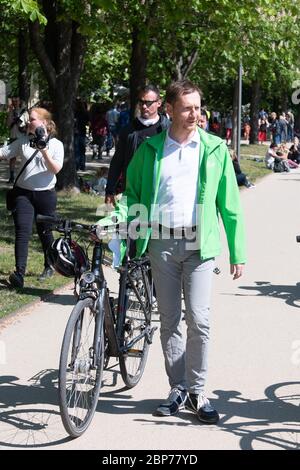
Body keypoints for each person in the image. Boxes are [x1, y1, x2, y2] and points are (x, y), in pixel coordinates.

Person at [97, 80, 246, 424]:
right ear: (169, 110)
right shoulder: (150, 149)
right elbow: (133, 195)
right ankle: (177, 388)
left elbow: (230, 205)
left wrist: (237, 251)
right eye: (187, 108)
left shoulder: (213, 148)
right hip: (161, 243)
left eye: (198, 107)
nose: (195, 114)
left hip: (198, 244)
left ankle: (198, 390)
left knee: (200, 319)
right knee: (169, 321)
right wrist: (119, 219)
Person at [0, 107, 64, 288]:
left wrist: (43, 149)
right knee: (23, 231)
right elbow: (4, 153)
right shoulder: (23, 142)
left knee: (45, 231)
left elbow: (55, 169)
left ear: (44, 123)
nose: (28, 122)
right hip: (23, 194)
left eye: (32, 119)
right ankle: (19, 273)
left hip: (46, 195)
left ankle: (49, 265)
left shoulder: (56, 145)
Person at [105, 84, 169, 205]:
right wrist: (110, 190)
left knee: (156, 224)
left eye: (149, 103)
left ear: (159, 103)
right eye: (141, 102)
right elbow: (117, 161)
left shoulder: (168, 130)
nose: (144, 106)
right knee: (131, 224)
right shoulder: (128, 130)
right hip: (132, 191)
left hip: (160, 192)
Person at [6, 96, 28, 183]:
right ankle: (11, 177)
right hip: (13, 136)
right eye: (14, 101)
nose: (15, 102)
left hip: (22, 137)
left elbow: (24, 125)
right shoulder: (11, 112)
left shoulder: (24, 112)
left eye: (17, 101)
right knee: (12, 158)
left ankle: (24, 176)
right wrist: (11, 111)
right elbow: (8, 125)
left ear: (20, 102)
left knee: (24, 157)